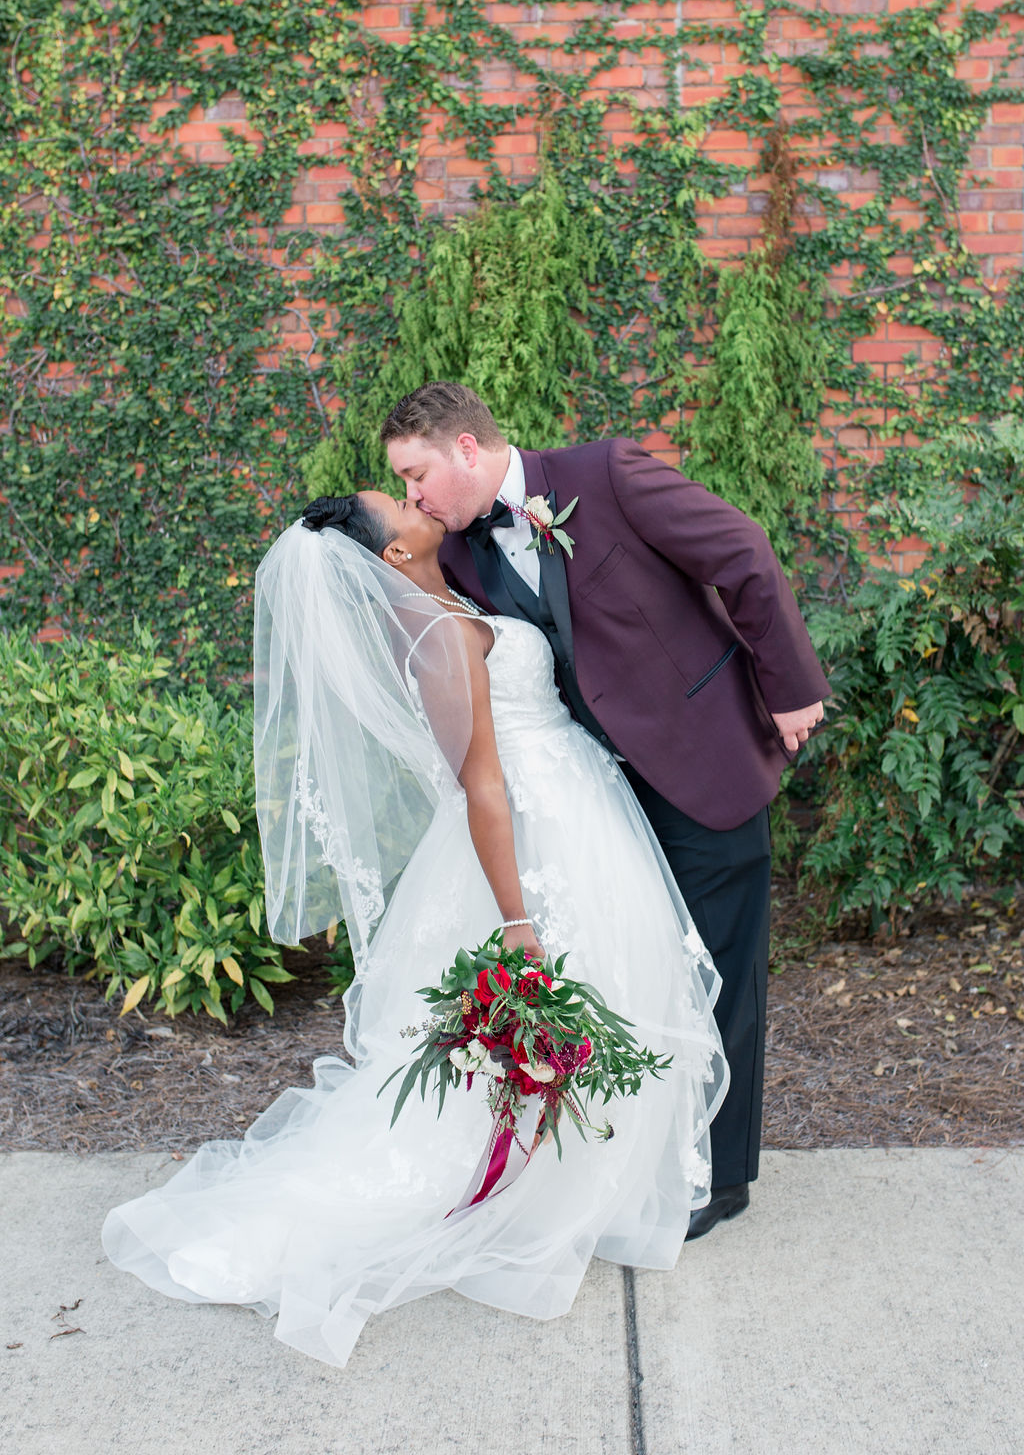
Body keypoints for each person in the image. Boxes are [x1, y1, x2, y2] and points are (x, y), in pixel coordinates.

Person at [101, 492, 728, 1368]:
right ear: (392, 556)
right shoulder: (436, 635)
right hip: (526, 840)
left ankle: (584, 1184)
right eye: (396, 503)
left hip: (573, 806)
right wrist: (515, 919)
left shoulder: (451, 598)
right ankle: (531, 1195)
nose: (412, 499)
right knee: (544, 1018)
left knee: (616, 986)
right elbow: (479, 783)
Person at [382, 382, 829, 1239]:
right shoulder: (464, 557)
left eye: (418, 475)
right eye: (404, 487)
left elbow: (741, 550)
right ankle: (650, 1153)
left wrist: (792, 688)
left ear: (467, 449)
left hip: (704, 761)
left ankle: (721, 1179)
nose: (415, 498)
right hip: (600, 795)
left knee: (724, 972)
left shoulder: (609, 474)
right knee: (650, 972)